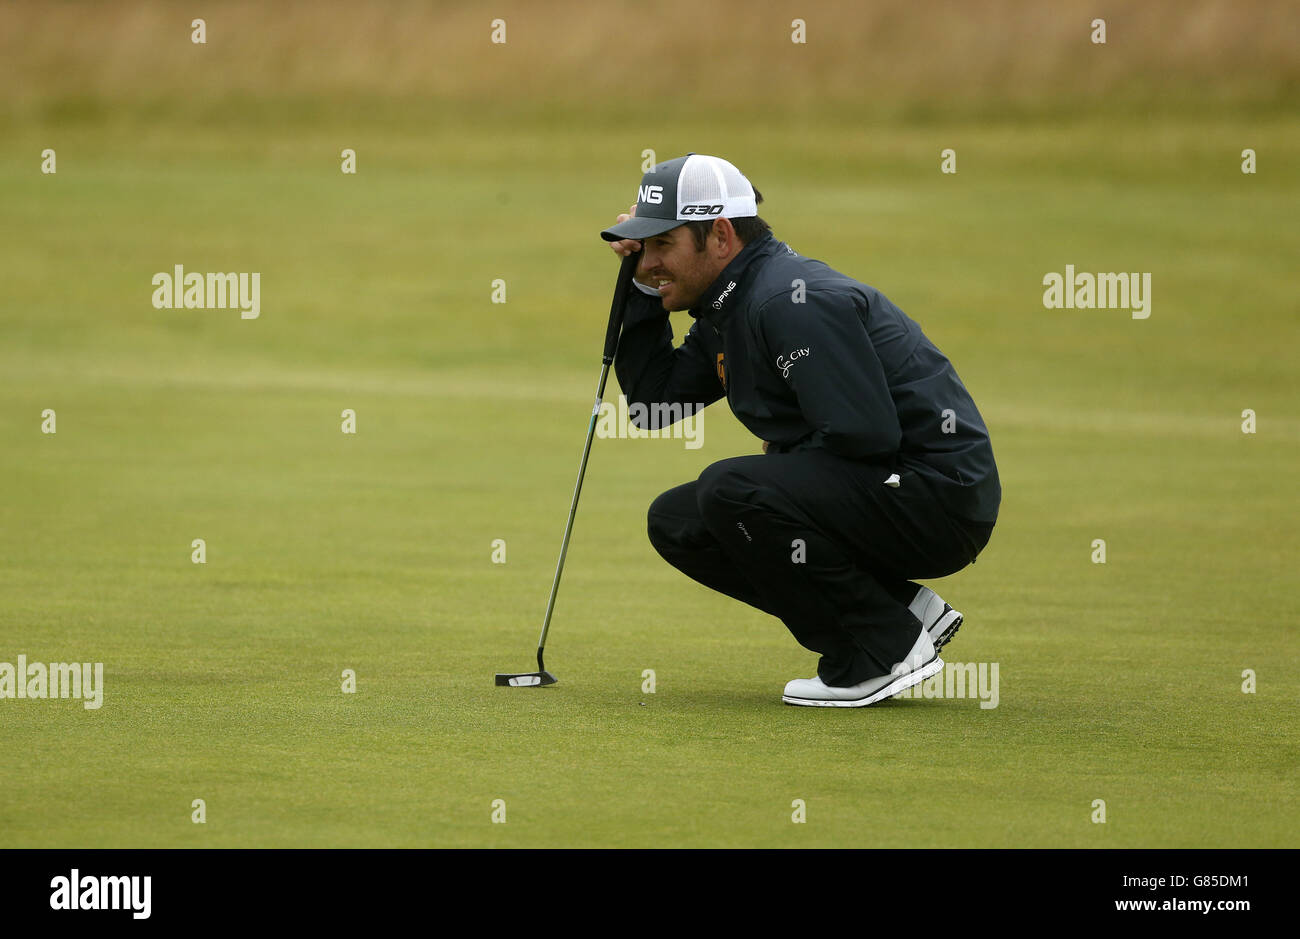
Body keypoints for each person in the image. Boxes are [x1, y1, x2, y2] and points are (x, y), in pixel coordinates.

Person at [601, 153, 1000, 707]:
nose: (648, 264)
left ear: (719, 235)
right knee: (679, 521)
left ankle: (881, 650)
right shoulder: (730, 304)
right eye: (644, 250)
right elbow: (654, 403)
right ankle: (900, 613)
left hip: (936, 499)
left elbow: (864, 435)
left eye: (662, 246)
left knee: (733, 489)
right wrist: (642, 295)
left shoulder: (789, 299)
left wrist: (781, 463)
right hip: (889, 488)